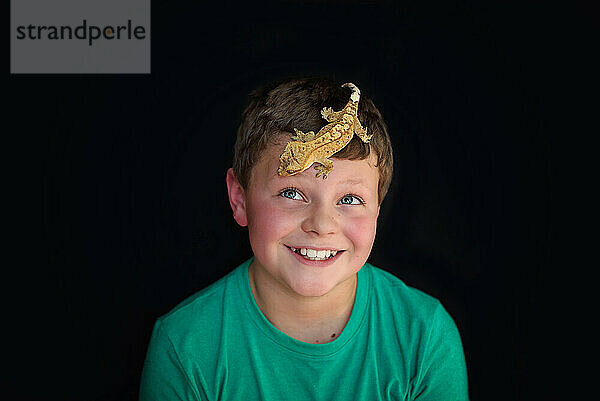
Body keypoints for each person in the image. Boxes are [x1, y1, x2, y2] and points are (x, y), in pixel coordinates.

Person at [139, 76, 469, 400]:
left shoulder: (426, 337)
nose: (321, 224)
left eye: (350, 200)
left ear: (378, 211)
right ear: (240, 201)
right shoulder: (183, 346)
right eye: (292, 192)